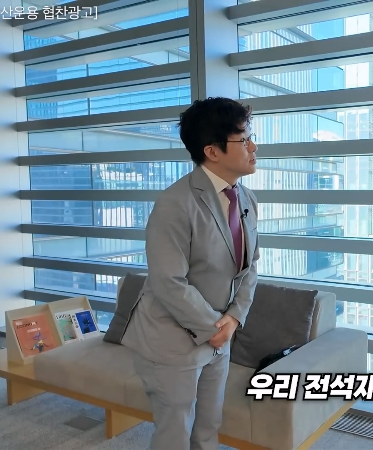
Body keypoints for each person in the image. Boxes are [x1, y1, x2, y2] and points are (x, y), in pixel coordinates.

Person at [121, 97, 260, 450]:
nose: (253, 148)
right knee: (175, 433)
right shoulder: (175, 203)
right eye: (243, 140)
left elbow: (250, 265)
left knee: (209, 426)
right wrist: (214, 328)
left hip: (220, 334)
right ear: (212, 151)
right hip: (172, 338)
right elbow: (169, 281)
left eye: (251, 138)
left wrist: (233, 318)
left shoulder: (246, 198)